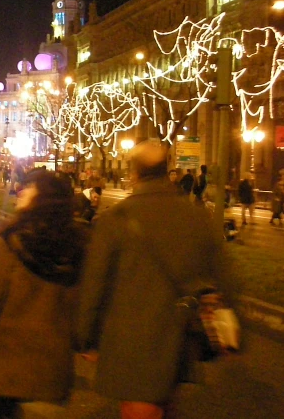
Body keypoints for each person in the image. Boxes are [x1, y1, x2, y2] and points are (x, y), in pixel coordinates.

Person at [78, 142, 232, 419]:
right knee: (164, 404)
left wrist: (86, 337)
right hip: (180, 337)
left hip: (131, 339)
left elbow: (95, 284)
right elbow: (222, 275)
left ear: (134, 173)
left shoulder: (116, 219)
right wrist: (231, 326)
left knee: (141, 408)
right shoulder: (196, 216)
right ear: (167, 171)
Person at [0, 170, 87, 419]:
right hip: (52, 369)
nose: (21, 191)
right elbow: (85, 305)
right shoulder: (78, 245)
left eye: (29, 188)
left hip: (7, 369)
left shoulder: (14, 241)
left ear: (43, 199)